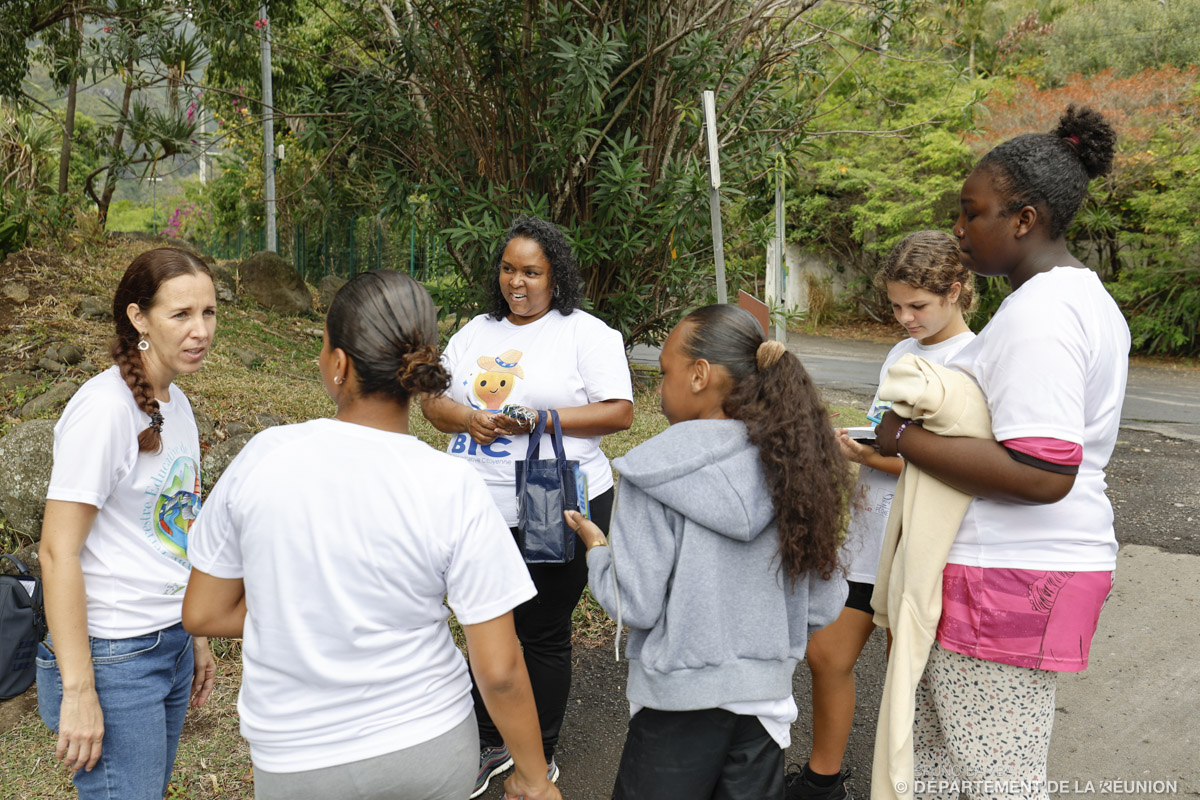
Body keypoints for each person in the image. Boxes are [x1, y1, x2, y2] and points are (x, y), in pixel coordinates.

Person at [182, 271, 561, 800]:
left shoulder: (264, 457)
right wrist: (533, 778)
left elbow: (203, 612)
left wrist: (307, 610)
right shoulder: (453, 484)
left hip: (299, 757)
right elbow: (498, 670)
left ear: (339, 364)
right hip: (430, 744)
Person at [873, 105, 1127, 800]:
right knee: (944, 765)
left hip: (1009, 573)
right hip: (1018, 567)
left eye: (971, 212)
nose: (960, 229)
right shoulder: (1080, 299)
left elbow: (1045, 471)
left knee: (994, 777)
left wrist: (906, 438)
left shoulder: (1042, 315)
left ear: (1025, 218)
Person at [566, 304, 851, 800]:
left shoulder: (650, 471)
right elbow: (825, 603)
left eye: (664, 373)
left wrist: (596, 547)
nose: (660, 387)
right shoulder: (796, 464)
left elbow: (636, 603)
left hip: (674, 709)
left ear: (699, 375)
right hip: (764, 710)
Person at [421, 215, 633, 796]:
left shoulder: (587, 334)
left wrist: (541, 418)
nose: (518, 282)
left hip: (555, 501)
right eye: (509, 269)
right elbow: (432, 404)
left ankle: (539, 752)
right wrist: (467, 417)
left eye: (532, 272)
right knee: (486, 625)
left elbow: (619, 412)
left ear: (555, 277)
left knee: (541, 630)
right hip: (475, 505)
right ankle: (492, 743)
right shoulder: (475, 332)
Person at [787, 231, 976, 800]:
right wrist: (865, 449)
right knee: (825, 653)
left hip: (919, 540)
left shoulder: (975, 360)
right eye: (896, 306)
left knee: (907, 677)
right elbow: (894, 436)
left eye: (917, 306)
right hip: (870, 535)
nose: (904, 318)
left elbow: (960, 467)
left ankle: (904, 785)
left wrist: (873, 455)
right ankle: (824, 779)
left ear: (957, 291)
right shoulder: (902, 352)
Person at [36, 247, 218, 800]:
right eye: (181, 315)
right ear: (139, 318)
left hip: (171, 640)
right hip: (116, 656)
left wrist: (198, 633)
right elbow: (56, 552)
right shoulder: (105, 410)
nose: (200, 330)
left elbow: (178, 530)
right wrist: (79, 689)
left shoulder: (176, 403)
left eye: (208, 313)